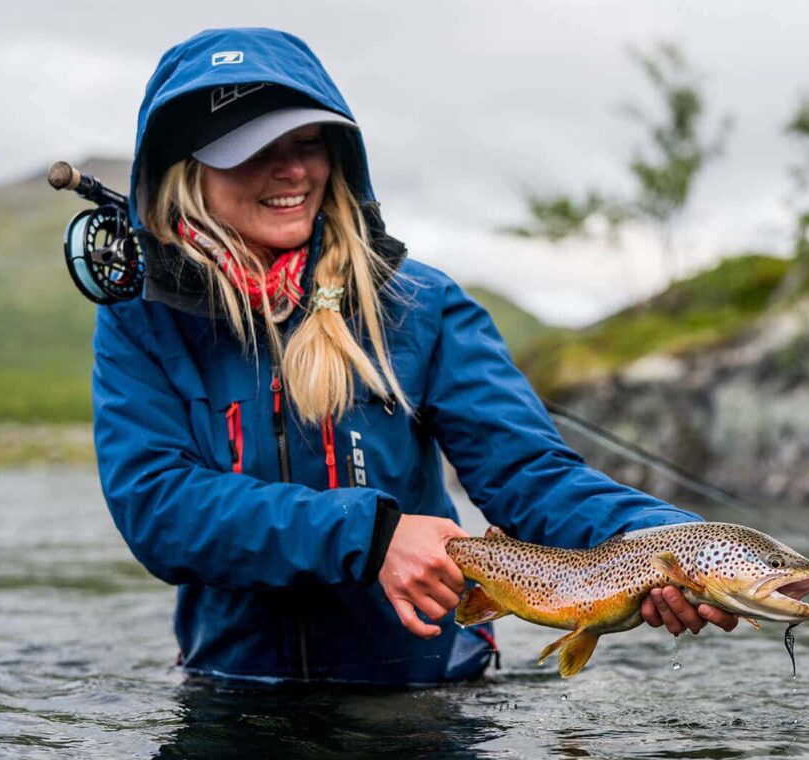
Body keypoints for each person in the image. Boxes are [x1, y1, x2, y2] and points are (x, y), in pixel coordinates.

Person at [93, 27, 735, 686]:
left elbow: (532, 478)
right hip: (234, 696)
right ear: (186, 167)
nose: (290, 170)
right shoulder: (141, 319)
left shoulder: (424, 305)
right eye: (252, 149)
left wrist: (668, 544)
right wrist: (368, 537)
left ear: (339, 152)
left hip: (428, 695)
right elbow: (159, 508)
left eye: (308, 142)